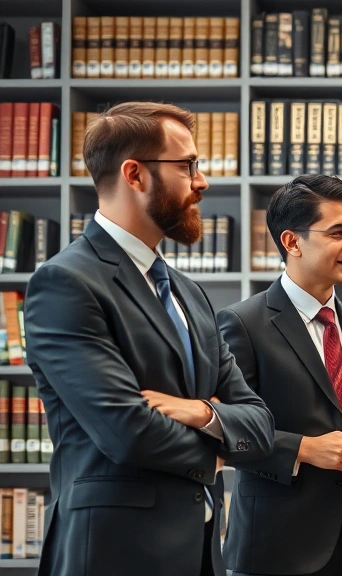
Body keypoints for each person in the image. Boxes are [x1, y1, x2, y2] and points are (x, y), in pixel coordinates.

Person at [23, 102, 274, 576]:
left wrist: (202, 412)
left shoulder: (190, 292)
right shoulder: (65, 284)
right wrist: (220, 450)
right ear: (134, 174)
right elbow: (127, 430)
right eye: (187, 166)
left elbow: (259, 423)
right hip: (115, 553)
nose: (202, 182)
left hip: (201, 553)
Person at [217, 175, 342, 576]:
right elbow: (228, 430)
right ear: (292, 242)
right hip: (275, 548)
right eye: (337, 232)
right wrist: (303, 449)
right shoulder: (242, 324)